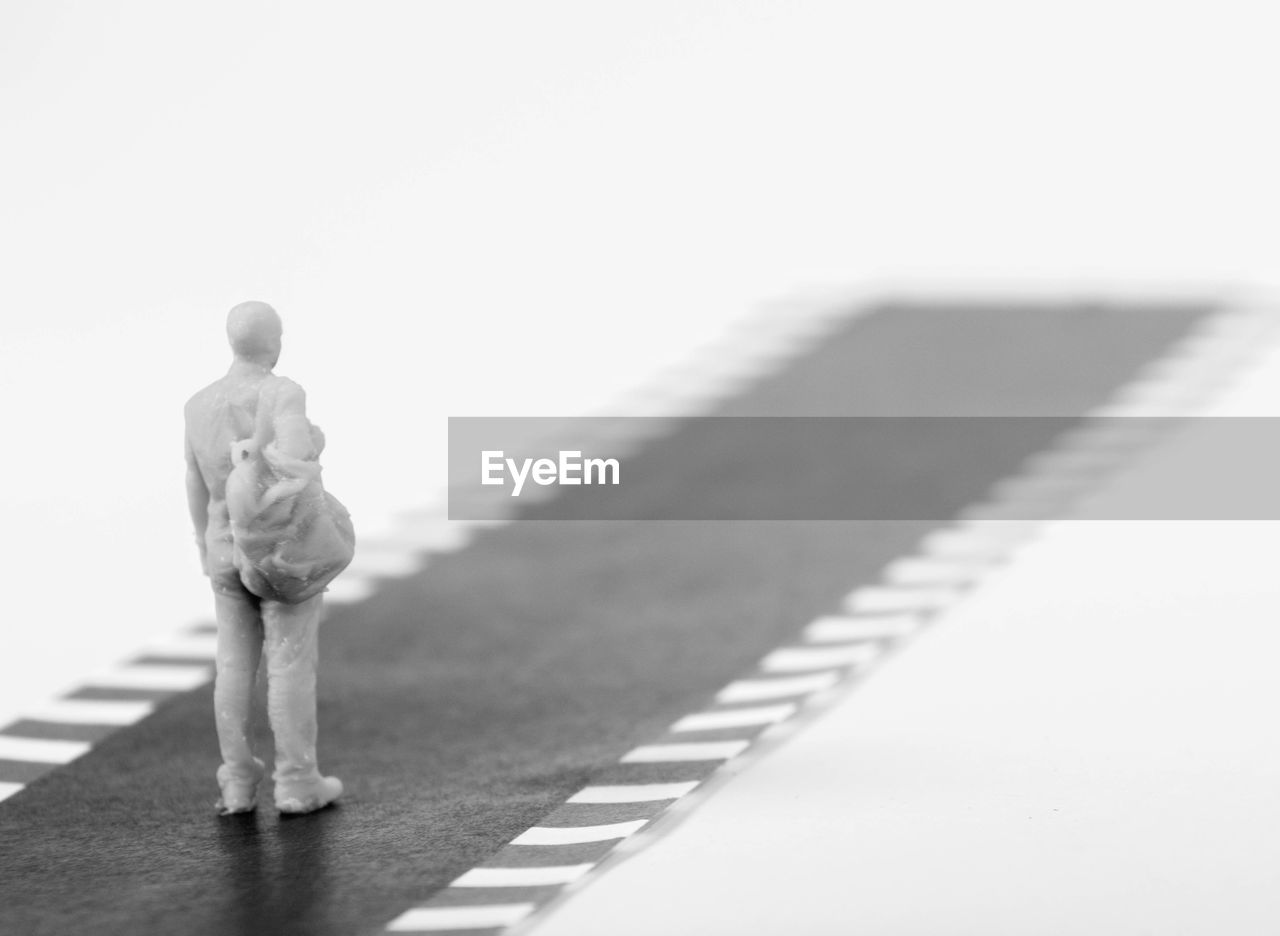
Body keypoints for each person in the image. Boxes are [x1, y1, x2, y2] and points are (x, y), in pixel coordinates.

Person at [184, 301, 344, 815]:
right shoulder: (281, 392)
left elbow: (192, 480)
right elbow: (297, 459)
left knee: (231, 664)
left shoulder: (199, 405)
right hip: (277, 552)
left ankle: (236, 782)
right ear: (275, 341)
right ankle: (296, 782)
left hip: (222, 545)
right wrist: (311, 442)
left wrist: (203, 545)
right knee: (290, 663)